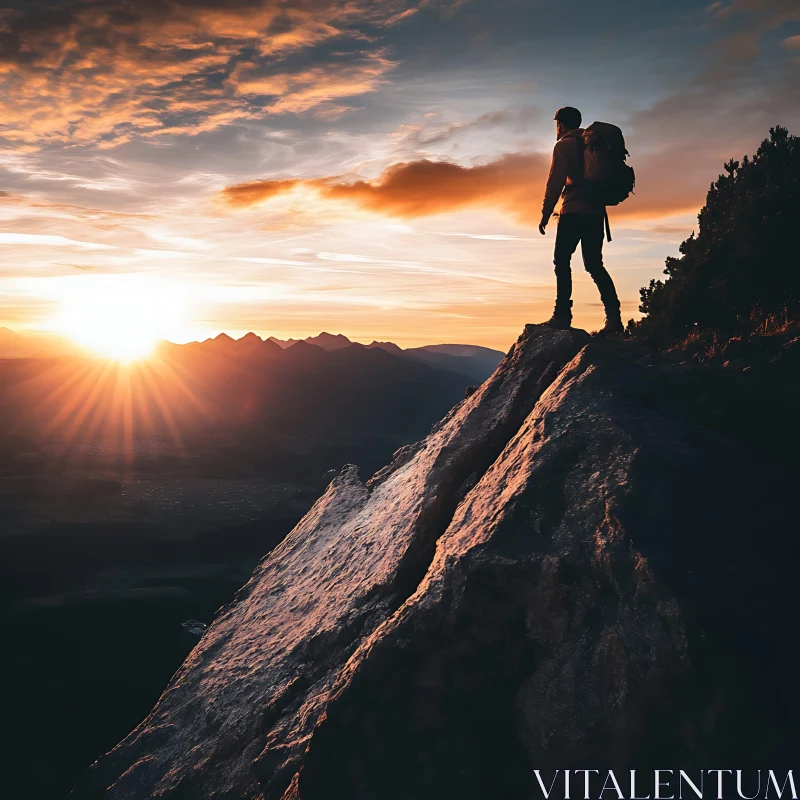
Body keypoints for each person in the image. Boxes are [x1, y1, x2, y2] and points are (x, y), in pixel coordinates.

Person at [538, 106, 623, 335]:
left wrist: (546, 213)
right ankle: (614, 319)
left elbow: (554, 182)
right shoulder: (594, 144)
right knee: (594, 265)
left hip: (572, 211)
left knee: (561, 261)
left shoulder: (563, 145)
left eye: (557, 124)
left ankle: (562, 315)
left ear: (562, 124)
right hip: (595, 212)